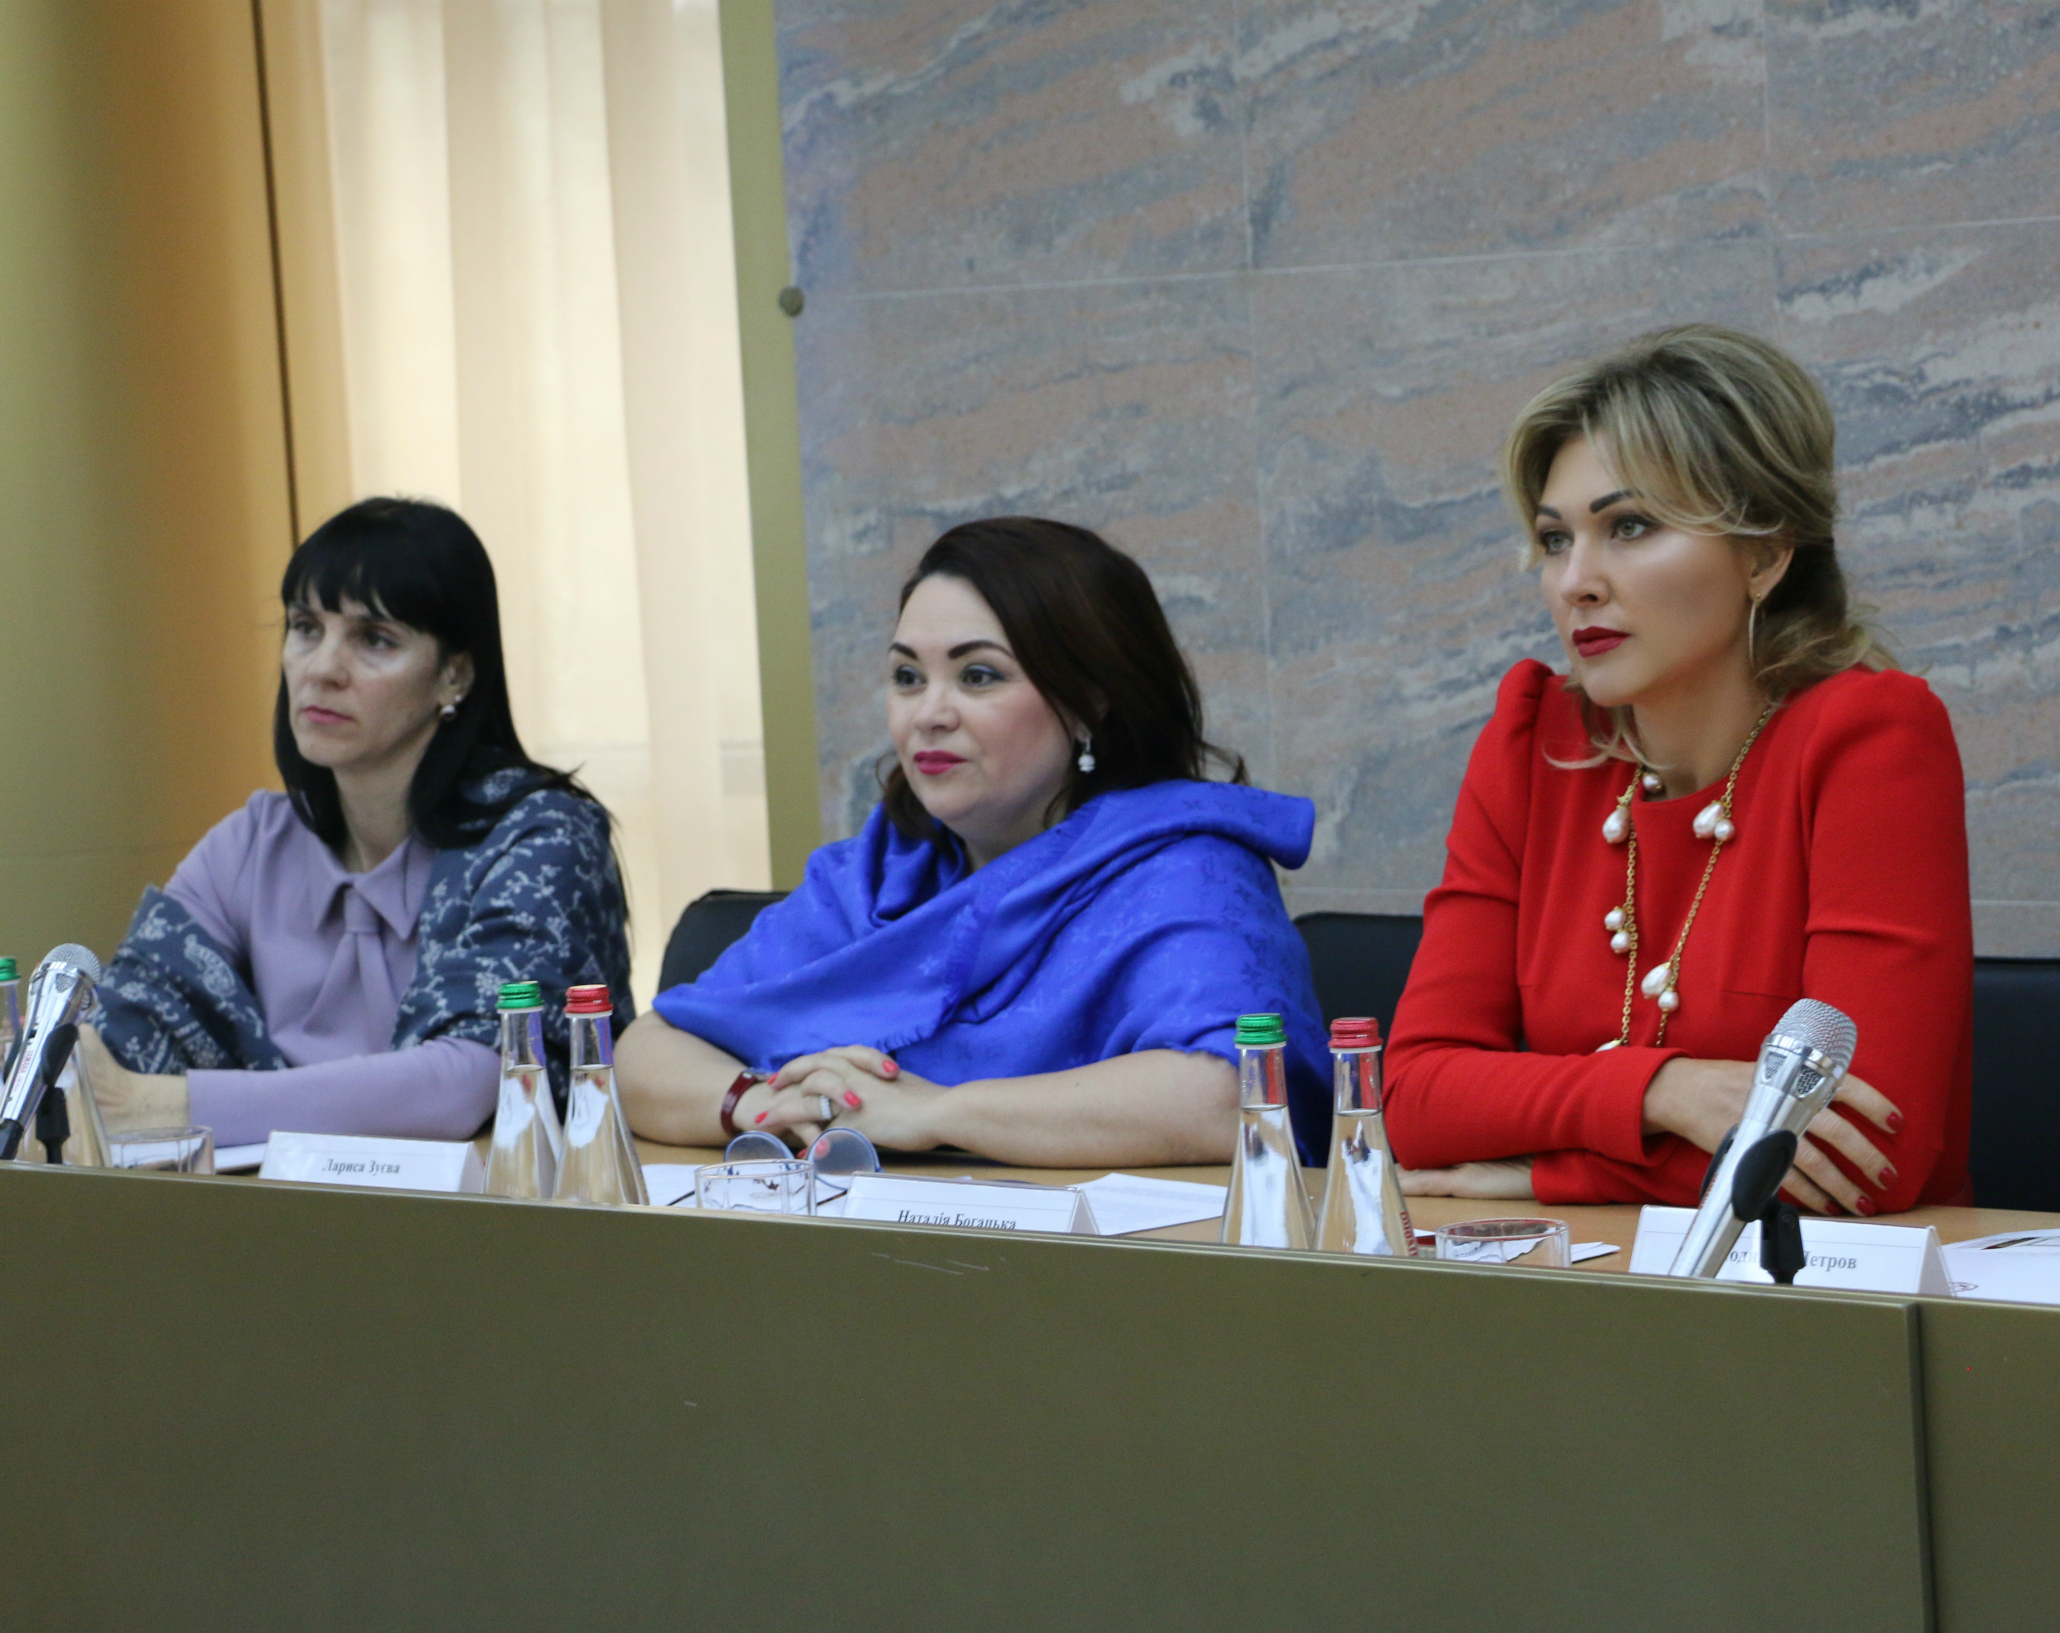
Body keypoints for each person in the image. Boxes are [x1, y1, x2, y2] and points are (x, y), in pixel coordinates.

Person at [1385, 325, 1973, 1215]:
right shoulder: (1534, 742)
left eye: (1630, 527)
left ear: (1764, 552)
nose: (1575, 582)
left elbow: (1860, 1156)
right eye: (1555, 539)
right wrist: (1665, 1091)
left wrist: (1547, 1172)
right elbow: (1416, 1099)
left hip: (1819, 1288)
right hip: (1574, 1282)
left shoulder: (1870, 740)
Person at [617, 516, 1327, 1166]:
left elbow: (1238, 1095)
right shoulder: (874, 876)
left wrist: (936, 1112)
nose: (928, 712)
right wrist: (759, 1104)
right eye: (907, 676)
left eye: (977, 675)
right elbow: (650, 1048)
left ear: (1089, 702)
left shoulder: (1187, 870)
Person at [85, 498, 631, 1147]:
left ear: (454, 675)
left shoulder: (539, 837)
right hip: (263, 1208)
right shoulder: (251, 844)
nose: (321, 669)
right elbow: (119, 1039)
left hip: (502, 1209)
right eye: (305, 627)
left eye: (375, 639)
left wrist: (162, 1105)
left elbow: (476, 1079)